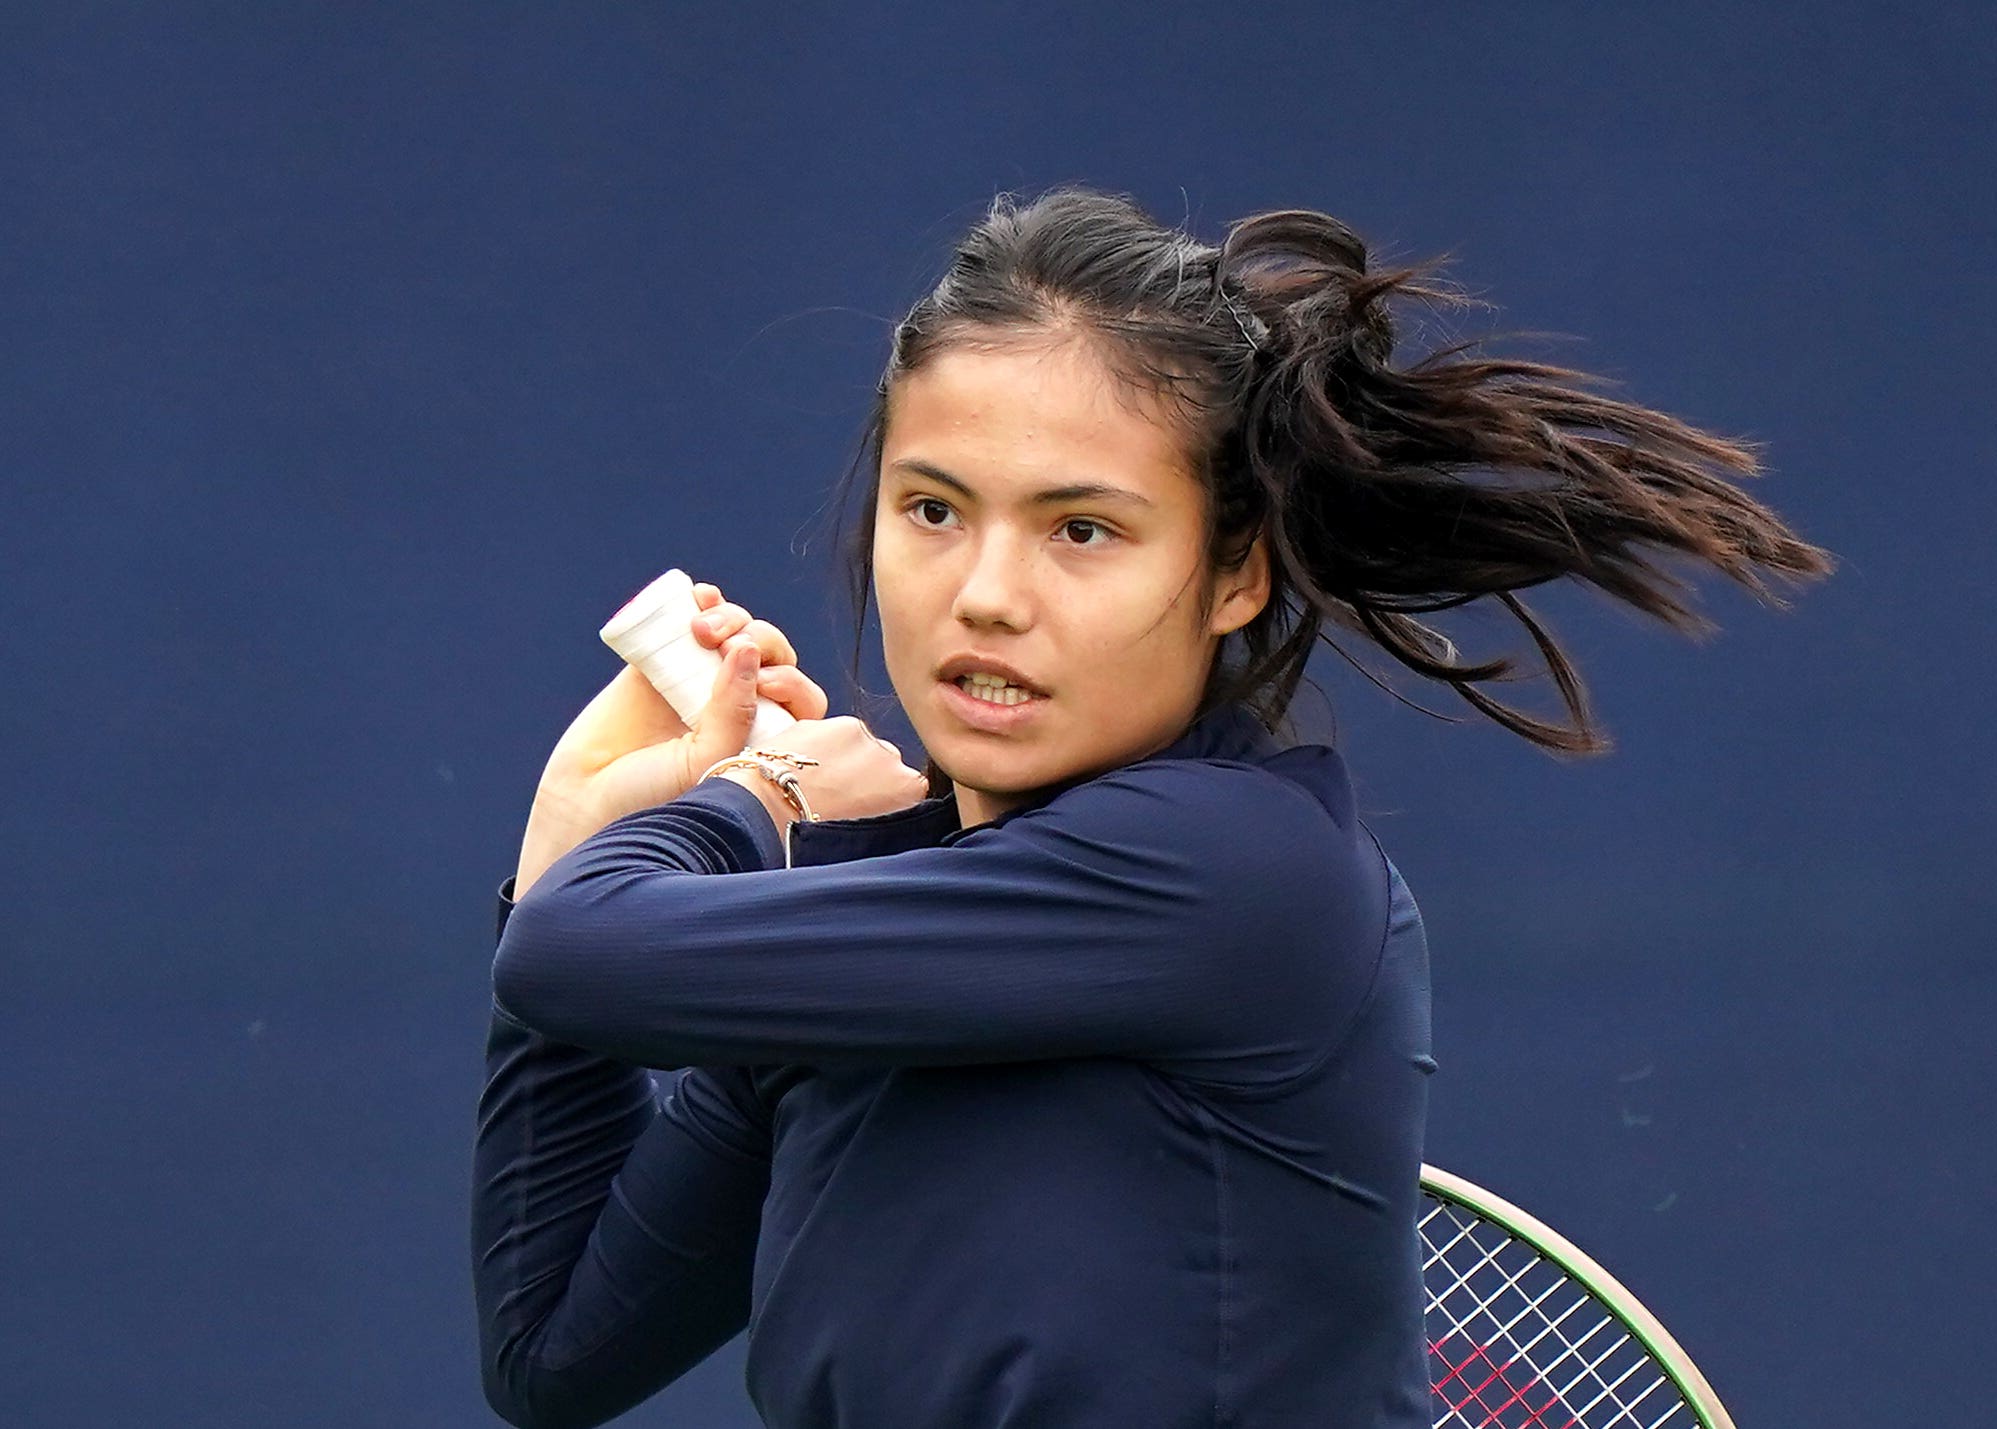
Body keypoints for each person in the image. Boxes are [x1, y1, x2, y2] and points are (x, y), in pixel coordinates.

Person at [471, 185, 1834, 1429]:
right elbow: (555, 1351)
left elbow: (575, 951)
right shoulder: (871, 923)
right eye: (934, 509)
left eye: (1082, 530)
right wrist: (570, 835)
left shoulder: (1236, 871)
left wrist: (746, 804)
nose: (988, 590)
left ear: (1235, 572)